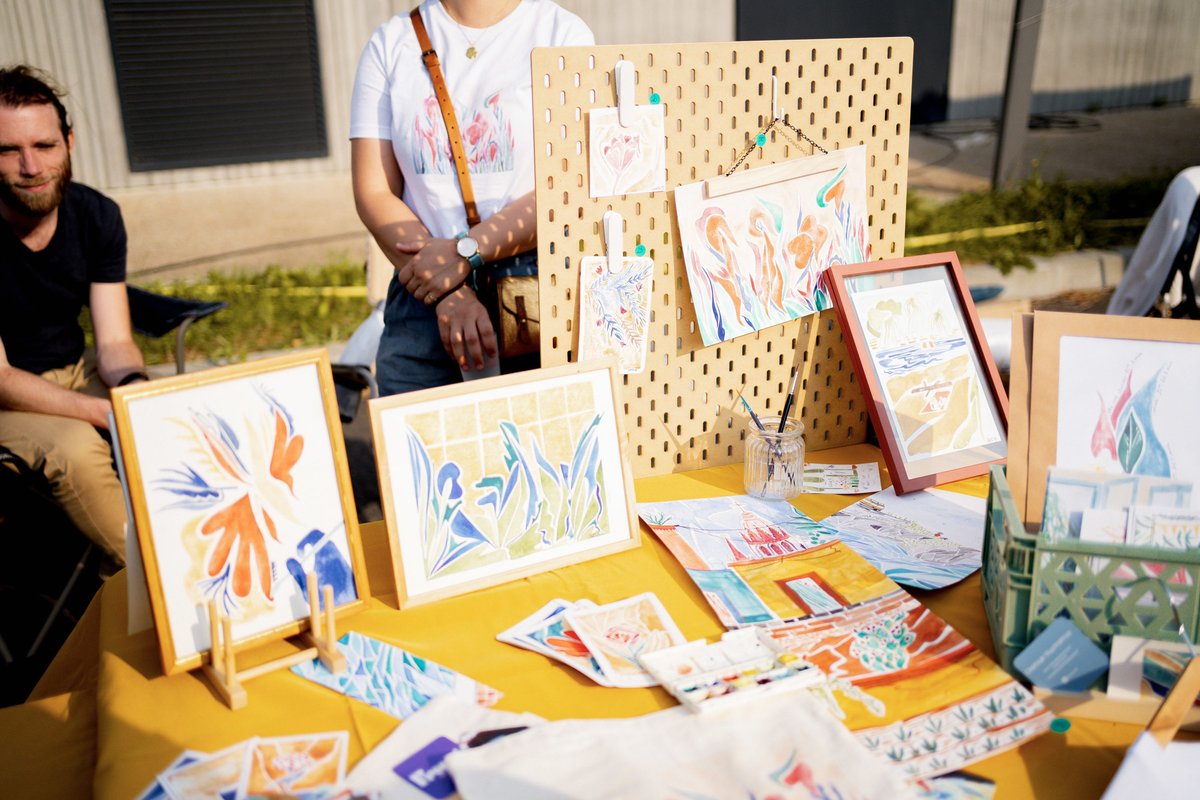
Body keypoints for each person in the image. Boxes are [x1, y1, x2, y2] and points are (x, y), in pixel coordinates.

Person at [351, 0, 593, 394]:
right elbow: (373, 191)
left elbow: (571, 183)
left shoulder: (561, 33)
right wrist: (448, 291)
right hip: (421, 291)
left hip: (531, 289)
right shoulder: (389, 43)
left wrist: (466, 251)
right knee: (420, 447)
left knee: (539, 444)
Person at [0, 65, 148, 566]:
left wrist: (135, 390)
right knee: (78, 445)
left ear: (70, 142)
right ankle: (159, 588)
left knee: (173, 414)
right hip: (6, 399)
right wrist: (103, 413)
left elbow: (113, 343)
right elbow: (1, 378)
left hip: (73, 372)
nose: (31, 166)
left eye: (44, 146)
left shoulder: (96, 215)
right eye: (8, 151)